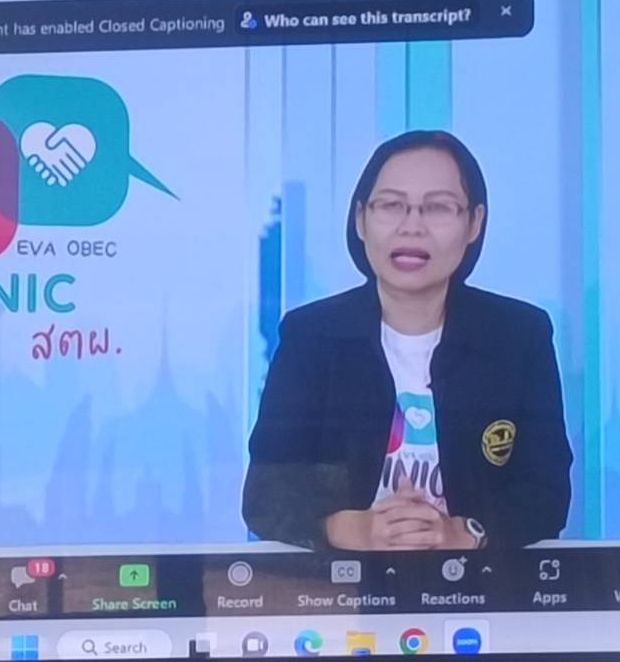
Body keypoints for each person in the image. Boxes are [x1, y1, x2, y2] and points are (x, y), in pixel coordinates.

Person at [243, 131, 572, 551]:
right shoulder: (311, 336)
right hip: (344, 587)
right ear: (360, 219)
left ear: (474, 223)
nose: (412, 226)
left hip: (480, 584)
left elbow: (546, 492)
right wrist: (355, 530)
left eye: (437, 207)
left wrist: (461, 533)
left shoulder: (519, 336)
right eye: (391, 205)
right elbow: (266, 493)